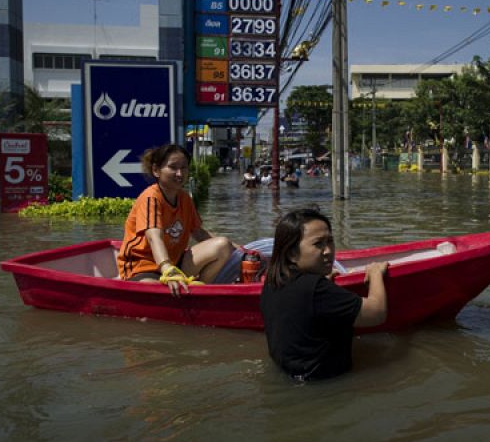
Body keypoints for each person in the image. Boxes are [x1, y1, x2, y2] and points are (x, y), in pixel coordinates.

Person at [260, 207, 389, 380]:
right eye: (318, 244)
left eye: (330, 241)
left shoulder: (273, 280)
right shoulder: (316, 289)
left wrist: (325, 283)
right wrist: (375, 274)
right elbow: (377, 313)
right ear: (291, 253)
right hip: (326, 384)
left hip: (290, 375)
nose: (328, 250)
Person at [117, 144, 234, 296]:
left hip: (175, 263)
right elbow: (154, 238)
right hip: (142, 268)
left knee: (223, 245)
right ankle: (185, 291)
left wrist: (239, 250)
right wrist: (167, 269)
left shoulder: (184, 198)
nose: (180, 173)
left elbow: (199, 233)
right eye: (173, 167)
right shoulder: (151, 198)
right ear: (156, 170)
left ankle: (199, 292)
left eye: (184, 167)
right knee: (160, 292)